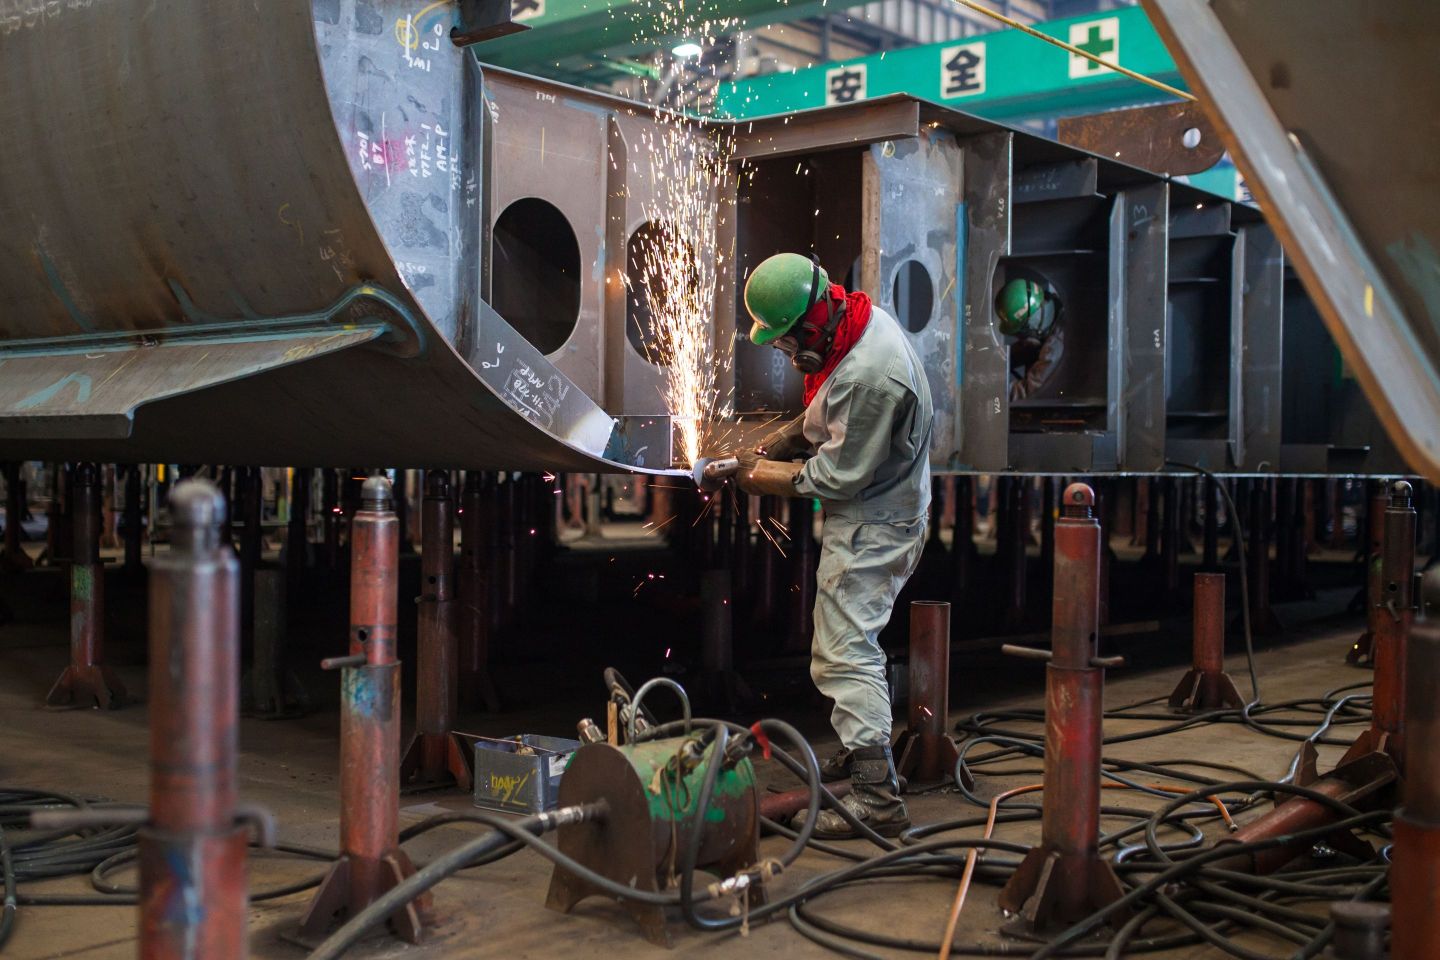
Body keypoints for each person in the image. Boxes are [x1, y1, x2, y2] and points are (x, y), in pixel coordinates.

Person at [728, 252, 933, 839]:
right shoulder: (856, 325)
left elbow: (838, 476)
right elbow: (829, 411)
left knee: (844, 651)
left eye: (790, 344)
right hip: (874, 511)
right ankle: (864, 753)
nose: (790, 356)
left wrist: (758, 475)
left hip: (875, 524)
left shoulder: (871, 374)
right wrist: (784, 440)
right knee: (848, 644)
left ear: (813, 322)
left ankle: (877, 796)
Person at [994, 277, 1064, 401]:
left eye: (1020, 333)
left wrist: (992, 389)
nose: (1019, 338)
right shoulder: (1054, 308)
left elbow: (1027, 392)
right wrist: (998, 360)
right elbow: (1030, 346)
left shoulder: (1054, 347)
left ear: (1031, 325)